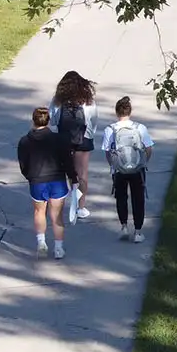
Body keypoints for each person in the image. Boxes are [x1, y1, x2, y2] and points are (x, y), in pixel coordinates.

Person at [18, 107, 73, 259]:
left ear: (33, 120)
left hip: (37, 181)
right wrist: (72, 178)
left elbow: (23, 165)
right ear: (48, 121)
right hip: (57, 181)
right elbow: (67, 161)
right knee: (57, 216)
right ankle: (59, 248)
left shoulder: (25, 141)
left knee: (39, 212)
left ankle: (41, 242)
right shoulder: (59, 139)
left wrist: (30, 176)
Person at [100, 96, 155, 243]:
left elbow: (107, 151)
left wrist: (113, 165)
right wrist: (143, 162)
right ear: (130, 111)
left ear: (116, 112)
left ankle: (124, 226)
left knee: (121, 198)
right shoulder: (140, 128)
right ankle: (138, 232)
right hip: (137, 169)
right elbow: (149, 148)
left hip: (119, 170)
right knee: (138, 199)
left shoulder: (110, 129)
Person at [50, 71, 97, 224]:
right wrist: (88, 135)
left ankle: (67, 200)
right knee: (82, 174)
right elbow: (93, 120)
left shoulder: (58, 101)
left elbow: (53, 121)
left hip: (63, 139)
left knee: (68, 173)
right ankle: (81, 207)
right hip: (83, 140)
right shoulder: (88, 101)